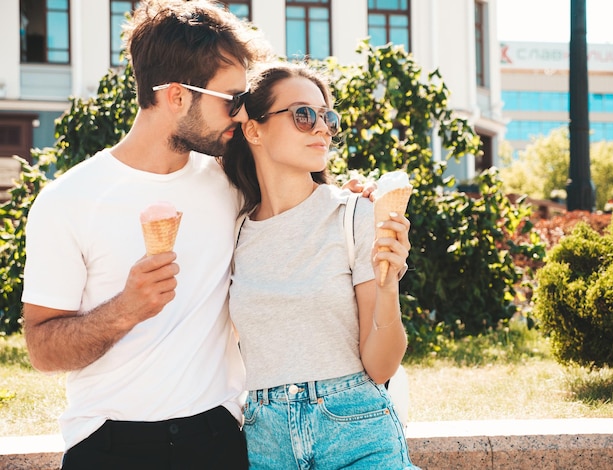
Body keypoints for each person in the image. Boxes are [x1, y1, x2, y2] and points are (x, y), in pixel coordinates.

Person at [21, 1, 267, 468]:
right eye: (231, 100)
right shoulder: (68, 200)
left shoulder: (234, 184)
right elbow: (41, 348)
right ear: (176, 95)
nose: (241, 115)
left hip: (215, 437)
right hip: (108, 444)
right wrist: (124, 311)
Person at [221, 62, 419, 469]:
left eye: (328, 116)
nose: (322, 128)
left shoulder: (356, 216)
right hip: (265, 439)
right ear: (253, 129)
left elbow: (382, 367)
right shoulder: (233, 232)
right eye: (302, 115)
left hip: (357, 431)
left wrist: (387, 285)